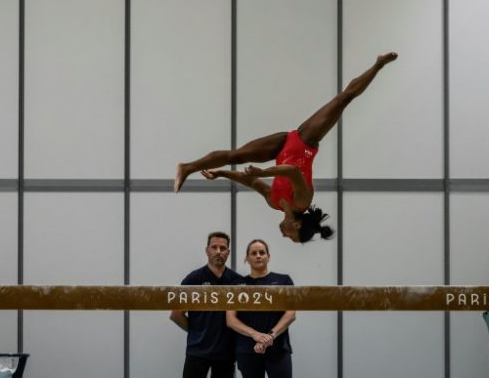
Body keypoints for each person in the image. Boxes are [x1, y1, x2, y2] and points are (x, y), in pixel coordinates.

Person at [174, 52, 398, 242]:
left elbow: (251, 181)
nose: (284, 237)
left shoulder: (275, 203)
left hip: (281, 148)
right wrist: (263, 171)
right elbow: (292, 171)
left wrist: (222, 173)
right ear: (298, 226)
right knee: (342, 100)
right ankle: (378, 64)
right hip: (304, 142)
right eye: (291, 237)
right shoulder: (302, 202)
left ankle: (187, 168)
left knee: (236, 156)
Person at [170, 232, 245, 378]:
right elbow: (176, 315)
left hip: (226, 353)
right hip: (197, 351)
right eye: (214, 247)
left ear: (228, 253)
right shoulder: (193, 279)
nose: (218, 251)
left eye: (223, 248)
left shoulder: (237, 281)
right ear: (207, 250)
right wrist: (197, 332)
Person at [226, 239, 296, 378]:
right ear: (247, 258)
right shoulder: (237, 284)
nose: (258, 255)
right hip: (247, 349)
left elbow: (291, 314)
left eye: (262, 252)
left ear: (268, 257)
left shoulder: (284, 281)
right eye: (254, 253)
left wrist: (270, 335)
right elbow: (230, 320)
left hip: (278, 348)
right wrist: (255, 335)